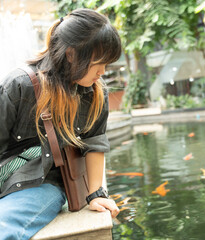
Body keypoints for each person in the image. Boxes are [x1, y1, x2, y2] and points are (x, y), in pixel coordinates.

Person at [0, 9, 121, 239]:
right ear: (71, 54)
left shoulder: (95, 93)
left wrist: (96, 194)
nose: (103, 72)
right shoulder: (19, 85)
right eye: (99, 62)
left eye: (108, 63)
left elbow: (94, 142)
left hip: (43, 186)